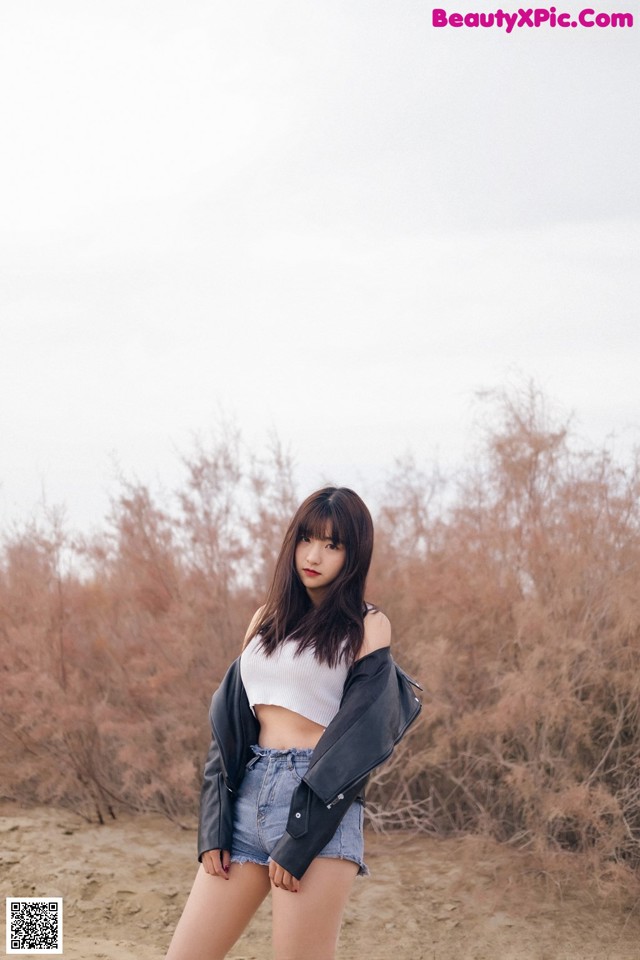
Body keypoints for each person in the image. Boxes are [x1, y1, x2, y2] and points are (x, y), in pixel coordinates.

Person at [165, 486, 421, 960]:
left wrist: (303, 832)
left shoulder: (367, 625)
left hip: (317, 802)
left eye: (332, 544)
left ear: (354, 554)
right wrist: (214, 826)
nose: (314, 555)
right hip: (246, 800)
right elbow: (231, 731)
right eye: (307, 539)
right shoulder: (265, 620)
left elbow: (358, 745)